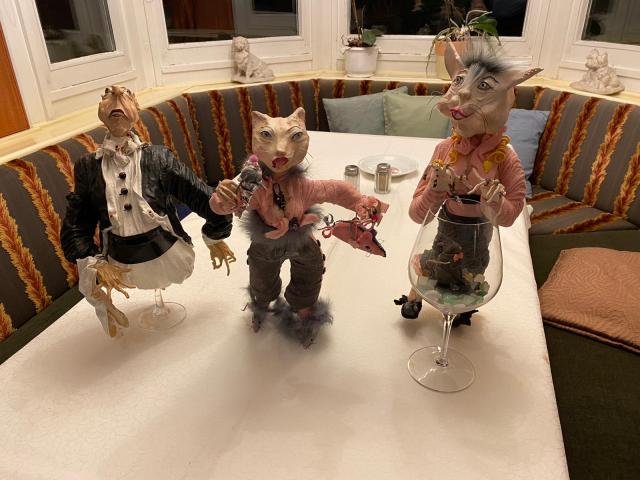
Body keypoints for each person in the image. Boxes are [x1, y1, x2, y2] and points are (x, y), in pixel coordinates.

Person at [61, 85, 235, 337]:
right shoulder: (87, 167)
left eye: (125, 96)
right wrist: (94, 262)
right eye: (108, 96)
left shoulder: (159, 157)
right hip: (121, 260)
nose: (117, 98)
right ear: (100, 111)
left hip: (166, 250)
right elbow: (77, 224)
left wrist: (217, 221)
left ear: (136, 110)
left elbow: (197, 194)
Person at [396, 41, 540, 325]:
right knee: (433, 263)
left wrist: (493, 201)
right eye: (459, 81)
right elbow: (416, 214)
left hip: (479, 236)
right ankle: (415, 296)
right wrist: (435, 192)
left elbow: (510, 217)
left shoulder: (506, 159)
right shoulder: (444, 150)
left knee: (470, 273)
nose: (462, 93)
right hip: (446, 227)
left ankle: (459, 309)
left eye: (483, 86)